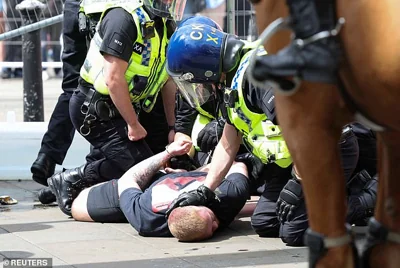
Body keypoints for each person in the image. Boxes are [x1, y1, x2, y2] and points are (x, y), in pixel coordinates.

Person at [164, 23, 378, 245]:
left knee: (294, 232)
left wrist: (297, 182)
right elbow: (228, 144)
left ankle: (370, 196)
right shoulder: (231, 78)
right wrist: (205, 190)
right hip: (295, 159)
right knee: (267, 222)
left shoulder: (259, 79)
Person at [48, 0, 186, 216]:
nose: (171, 4)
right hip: (94, 111)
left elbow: (167, 81)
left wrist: (172, 127)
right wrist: (133, 124)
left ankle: (86, 182)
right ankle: (71, 179)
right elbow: (113, 79)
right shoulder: (123, 18)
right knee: (146, 171)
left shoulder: (164, 25)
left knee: (150, 166)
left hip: (122, 108)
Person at [70, 139, 251, 241]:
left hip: (152, 182)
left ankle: (74, 177)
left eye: (212, 225)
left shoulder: (146, 218)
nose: (217, 224)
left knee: (77, 207)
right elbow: (236, 165)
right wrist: (198, 173)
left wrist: (169, 155)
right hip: (190, 176)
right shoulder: (229, 197)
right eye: (213, 221)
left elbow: (128, 179)